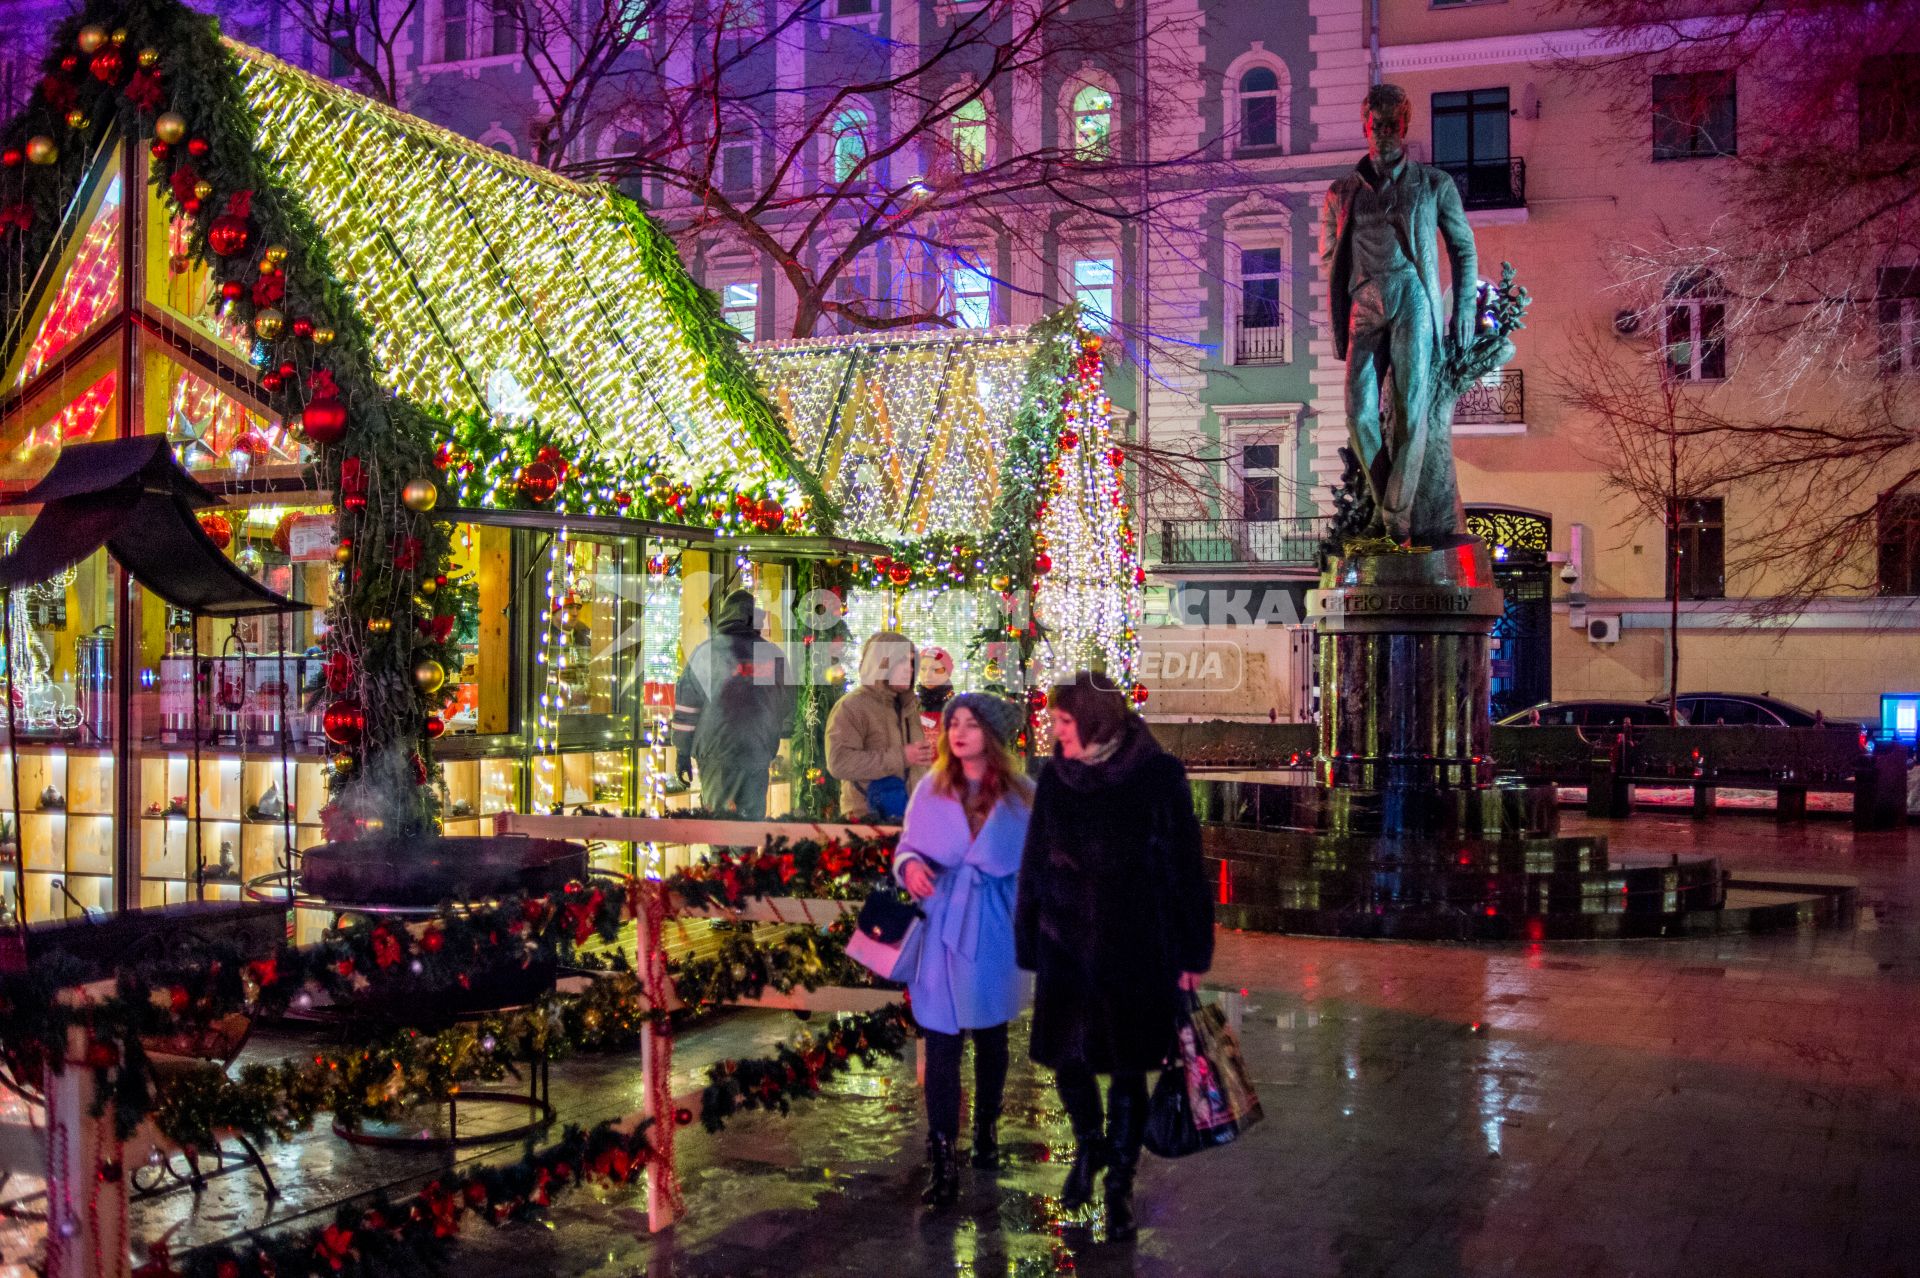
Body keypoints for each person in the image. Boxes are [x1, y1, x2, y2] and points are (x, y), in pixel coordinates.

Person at [1015, 671, 1212, 1241]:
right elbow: (1034, 859)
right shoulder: (1055, 775)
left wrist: (1192, 947)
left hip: (1136, 946)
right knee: (1069, 1063)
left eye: (1064, 720)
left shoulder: (1157, 776)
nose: (1055, 730)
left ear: (1095, 720)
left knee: (1127, 1068)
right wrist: (1029, 928)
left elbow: (1185, 868)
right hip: (1065, 943)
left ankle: (1119, 1184)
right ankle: (1090, 1148)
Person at [1321, 82, 1478, 543]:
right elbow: (1331, 258)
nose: (1385, 133)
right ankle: (1391, 500)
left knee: (1411, 411)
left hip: (1412, 298)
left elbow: (1464, 249)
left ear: (1405, 127)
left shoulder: (1433, 184)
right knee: (1358, 414)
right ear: (1365, 126)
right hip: (1364, 303)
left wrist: (1463, 304)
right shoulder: (1341, 192)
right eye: (1377, 125)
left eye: (1393, 125)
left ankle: (1395, 518)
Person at [893, 693, 1033, 1207]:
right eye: (954, 724)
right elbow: (908, 846)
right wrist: (909, 868)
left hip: (993, 928)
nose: (959, 733)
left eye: (971, 725)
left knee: (991, 1037)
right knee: (942, 1042)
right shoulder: (932, 788)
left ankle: (987, 1131)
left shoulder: (1021, 796)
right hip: (941, 927)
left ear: (991, 736)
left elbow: (1035, 864)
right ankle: (944, 1154)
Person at [670, 589, 793, 819]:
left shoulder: (707, 653)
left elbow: (687, 709)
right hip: (757, 753)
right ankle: (746, 854)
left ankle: (719, 855)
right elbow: (786, 705)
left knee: (718, 826)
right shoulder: (771, 655)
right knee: (749, 828)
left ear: (725, 616)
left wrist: (682, 754)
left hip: (717, 755)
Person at [826, 631, 932, 819]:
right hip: (867, 820)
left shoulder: (909, 707)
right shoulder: (852, 706)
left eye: (911, 662)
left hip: (912, 818)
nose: (908, 669)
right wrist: (901, 757)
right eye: (900, 661)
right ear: (881, 664)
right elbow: (839, 762)